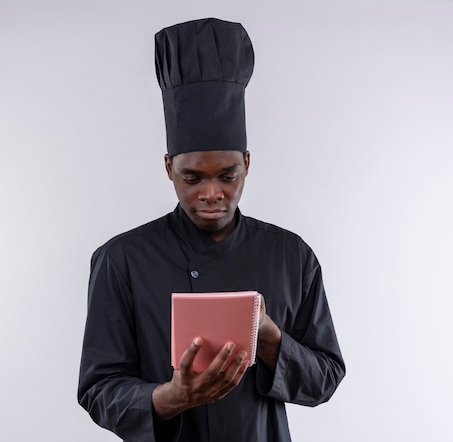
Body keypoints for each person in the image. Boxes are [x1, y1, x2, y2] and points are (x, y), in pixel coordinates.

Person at [78, 18, 345, 442]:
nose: (211, 194)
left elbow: (326, 379)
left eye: (227, 175)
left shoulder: (291, 255)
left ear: (247, 163)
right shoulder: (121, 261)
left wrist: (272, 340)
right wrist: (170, 396)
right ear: (169, 167)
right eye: (191, 178)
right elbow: (98, 389)